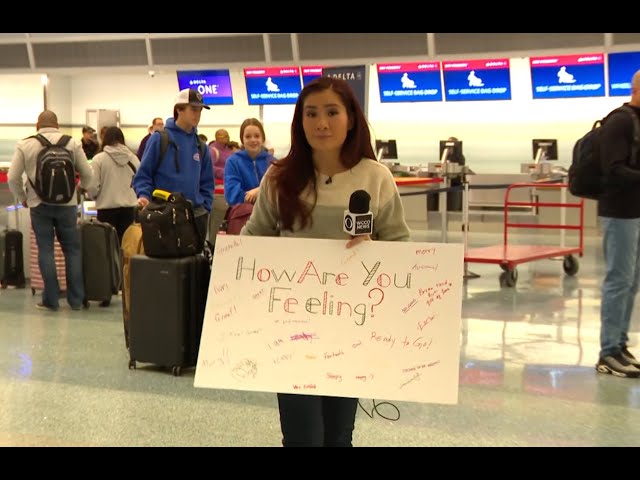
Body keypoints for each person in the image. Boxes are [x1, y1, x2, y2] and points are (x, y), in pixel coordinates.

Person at [240, 77, 411, 447]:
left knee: (338, 436)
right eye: (311, 114)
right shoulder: (279, 177)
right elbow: (253, 241)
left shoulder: (375, 177)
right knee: (303, 437)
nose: (322, 123)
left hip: (350, 327)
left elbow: (400, 244)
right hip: (291, 329)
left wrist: (373, 252)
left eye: (332, 112)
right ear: (299, 122)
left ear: (350, 118)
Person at [8, 110, 93, 311]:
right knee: (72, 250)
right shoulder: (72, 143)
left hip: (39, 205)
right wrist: (78, 190)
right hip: (67, 205)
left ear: (38, 125)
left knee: (45, 250)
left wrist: (23, 197)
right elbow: (88, 174)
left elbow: (12, 177)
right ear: (57, 124)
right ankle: (76, 300)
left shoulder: (25, 144)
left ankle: (51, 300)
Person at [595, 68, 640, 378]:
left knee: (632, 281)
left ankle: (620, 344)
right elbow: (613, 169)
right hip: (619, 212)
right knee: (619, 280)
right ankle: (608, 351)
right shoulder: (620, 121)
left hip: (636, 211)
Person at [133, 88, 214, 253]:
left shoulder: (201, 146)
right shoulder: (159, 139)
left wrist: (205, 207)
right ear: (179, 109)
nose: (197, 114)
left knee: (194, 270)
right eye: (193, 109)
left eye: (200, 109)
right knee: (166, 272)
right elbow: (143, 175)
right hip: (163, 215)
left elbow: (207, 182)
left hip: (195, 216)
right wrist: (144, 196)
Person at [85, 126, 140, 243]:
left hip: (106, 210)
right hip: (129, 209)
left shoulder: (98, 159)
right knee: (127, 245)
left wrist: (93, 196)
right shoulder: (134, 159)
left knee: (108, 247)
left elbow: (92, 186)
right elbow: (139, 182)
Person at [223, 118, 275, 207]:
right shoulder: (232, 162)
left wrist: (259, 191)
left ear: (263, 138)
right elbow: (231, 195)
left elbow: (279, 190)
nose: (253, 140)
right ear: (242, 139)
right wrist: (259, 194)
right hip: (244, 215)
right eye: (248, 136)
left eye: (257, 136)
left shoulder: (273, 162)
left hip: (270, 215)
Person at [206, 128, 234, 245]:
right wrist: (226, 171)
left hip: (228, 191)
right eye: (223, 136)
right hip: (217, 193)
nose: (226, 138)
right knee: (215, 228)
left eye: (226, 135)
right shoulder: (212, 151)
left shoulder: (228, 151)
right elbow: (208, 168)